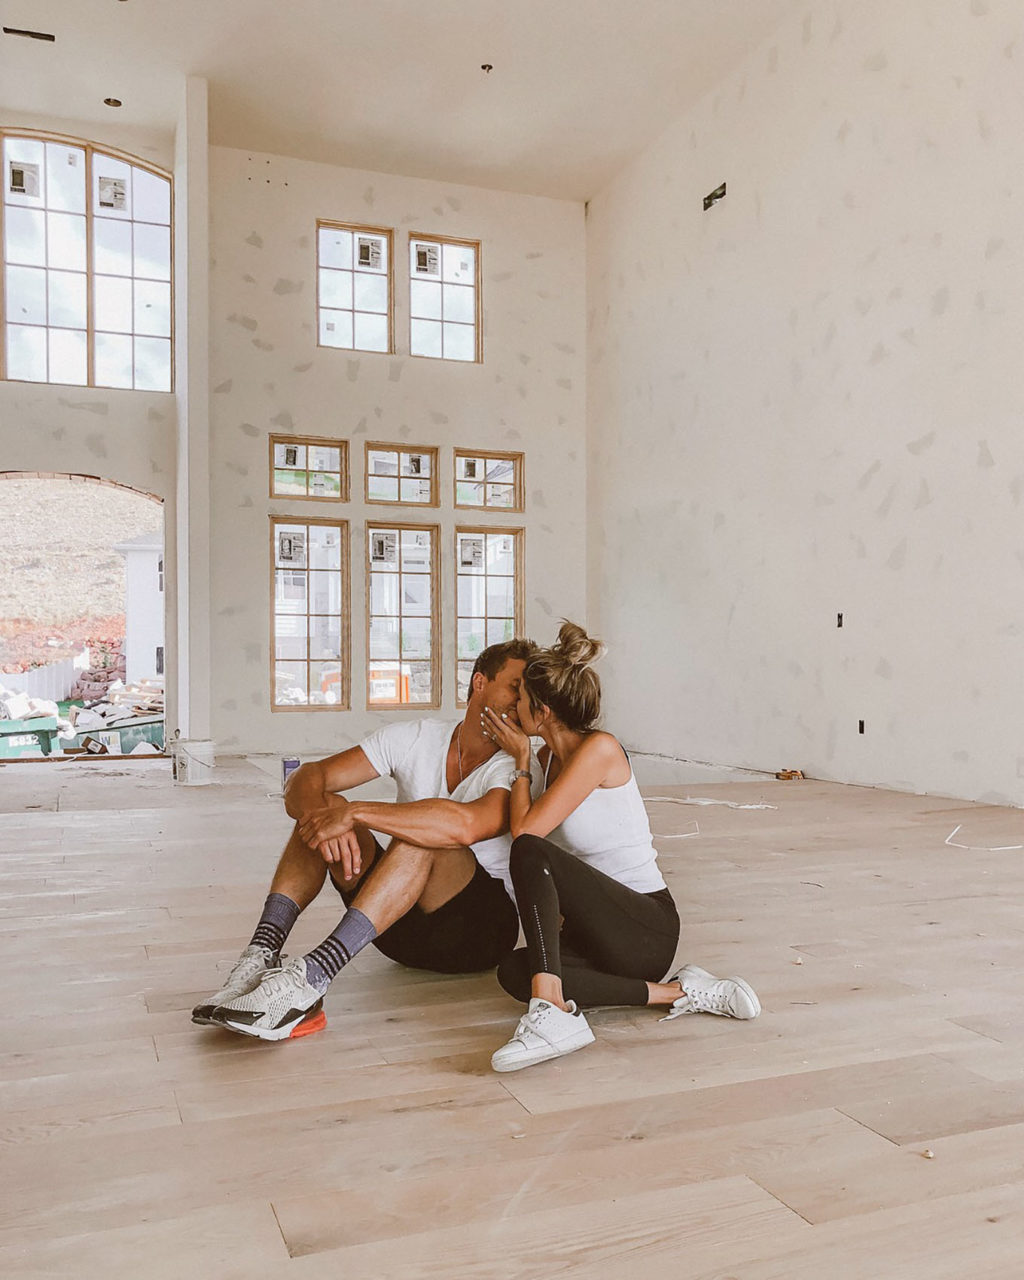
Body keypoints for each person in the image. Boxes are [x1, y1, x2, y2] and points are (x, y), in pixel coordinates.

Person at [192, 638, 536, 1041]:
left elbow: (468, 827)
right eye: (514, 687)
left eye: (528, 694)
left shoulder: (519, 764)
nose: (521, 702)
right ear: (479, 682)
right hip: (397, 927)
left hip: (479, 934)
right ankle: (260, 954)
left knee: (422, 834)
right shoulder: (418, 737)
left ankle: (313, 978)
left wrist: (356, 812)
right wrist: (325, 815)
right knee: (323, 809)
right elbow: (307, 778)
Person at [481, 621, 760, 1072]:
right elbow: (526, 836)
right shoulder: (548, 759)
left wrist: (520, 761)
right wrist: (526, 761)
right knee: (513, 972)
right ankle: (677, 992)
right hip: (595, 934)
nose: (514, 707)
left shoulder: (600, 750)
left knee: (530, 851)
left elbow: (526, 835)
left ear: (543, 711)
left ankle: (551, 1010)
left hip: (644, 928)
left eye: (521, 700)